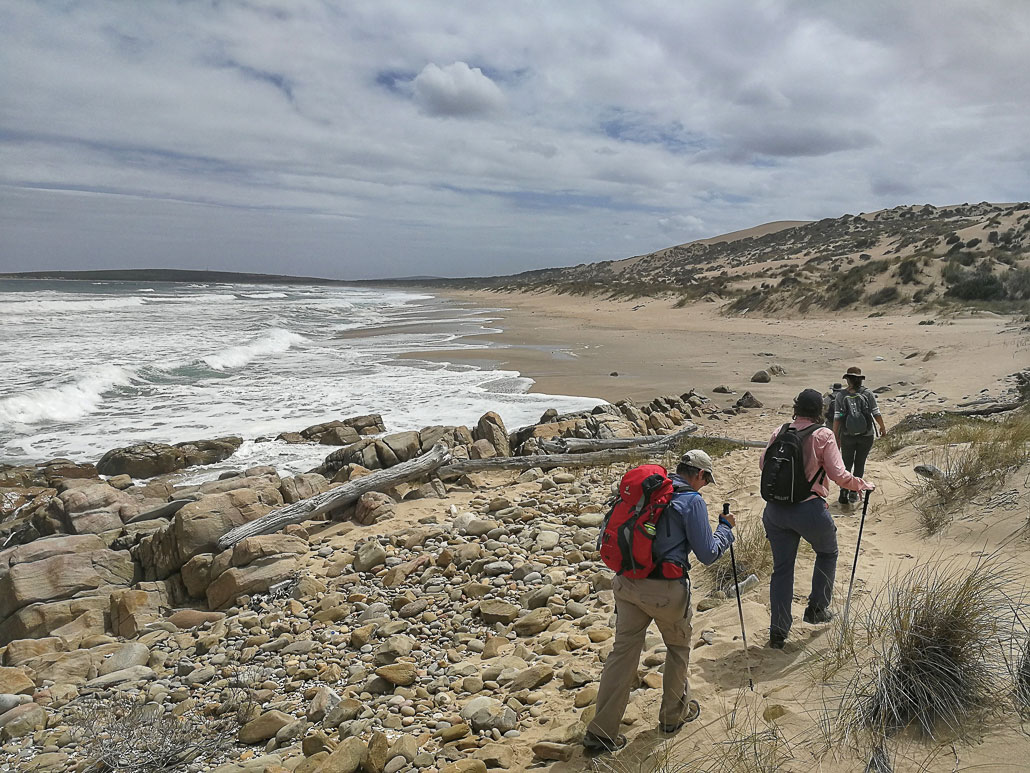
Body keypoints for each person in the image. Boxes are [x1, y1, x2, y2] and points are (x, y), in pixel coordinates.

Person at [583, 450, 735, 754]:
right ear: (699, 475)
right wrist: (726, 529)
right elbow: (707, 554)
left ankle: (600, 733)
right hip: (665, 590)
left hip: (627, 583)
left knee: (622, 654)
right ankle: (672, 718)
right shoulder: (691, 501)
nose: (704, 485)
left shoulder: (648, 491)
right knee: (678, 649)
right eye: (706, 479)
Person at [760, 389, 874, 649]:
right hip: (809, 509)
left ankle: (778, 632)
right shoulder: (823, 435)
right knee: (827, 552)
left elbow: (763, 464)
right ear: (820, 411)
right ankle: (817, 609)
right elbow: (838, 474)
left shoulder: (780, 431)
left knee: (782, 570)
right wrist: (861, 485)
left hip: (775, 511)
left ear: (796, 408)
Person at [832, 366, 887, 505]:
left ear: (847, 380)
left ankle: (843, 490)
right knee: (859, 463)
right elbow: (876, 413)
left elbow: (837, 417)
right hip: (866, 435)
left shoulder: (841, 395)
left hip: (847, 434)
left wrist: (835, 435)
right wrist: (882, 427)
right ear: (860, 380)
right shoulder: (867, 394)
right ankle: (854, 492)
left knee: (846, 464)